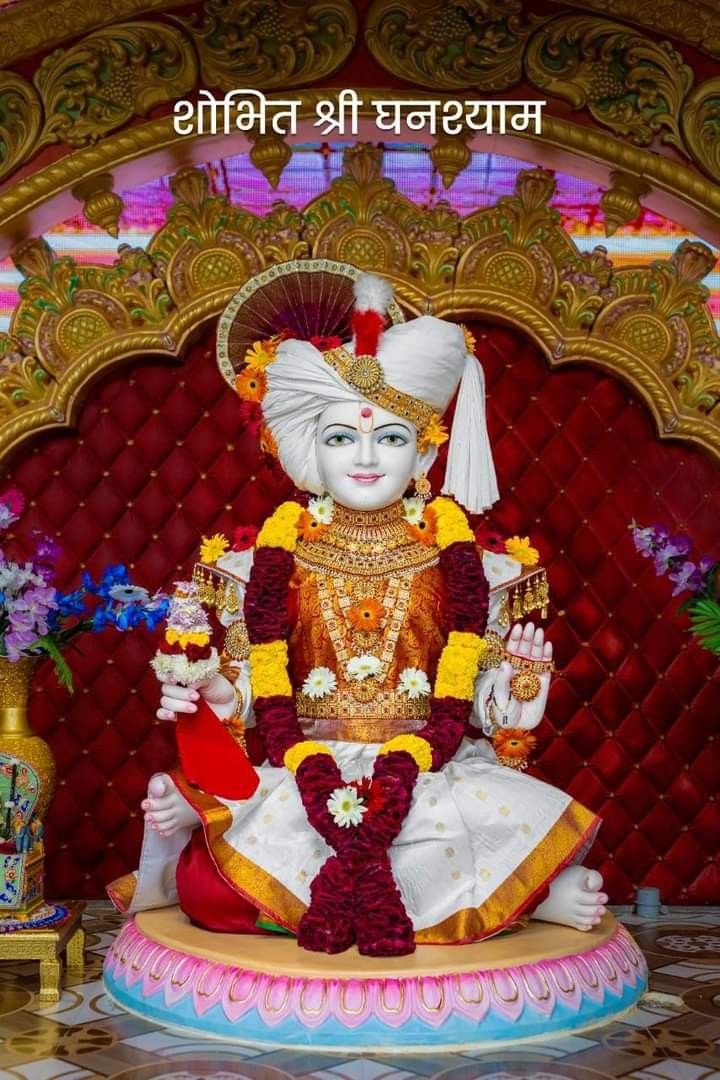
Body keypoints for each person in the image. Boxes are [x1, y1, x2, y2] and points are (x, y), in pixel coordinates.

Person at [108, 270, 607, 955]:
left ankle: (534, 894)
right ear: (311, 448)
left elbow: (481, 709)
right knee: (208, 889)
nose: (367, 458)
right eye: (342, 438)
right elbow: (252, 695)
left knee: (467, 833)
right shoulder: (262, 565)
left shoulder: (471, 567)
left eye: (391, 439)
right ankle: (523, 899)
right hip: (303, 765)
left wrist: (518, 700)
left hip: (432, 770)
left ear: (426, 449)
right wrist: (216, 689)